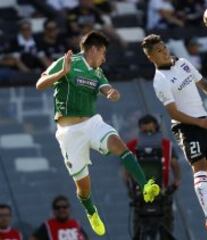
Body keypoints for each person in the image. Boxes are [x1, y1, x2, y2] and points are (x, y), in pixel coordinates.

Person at [35, 31, 160, 236]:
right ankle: (91, 211)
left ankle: (145, 184)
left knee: (120, 145)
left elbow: (108, 89)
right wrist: (60, 73)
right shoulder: (67, 62)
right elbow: (40, 85)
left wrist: (113, 93)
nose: (104, 58)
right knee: (83, 188)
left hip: (92, 122)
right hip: (69, 132)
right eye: (103, 53)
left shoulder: (98, 72)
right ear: (93, 49)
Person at [141, 34, 207, 240]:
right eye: (159, 50)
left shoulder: (183, 63)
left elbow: (202, 83)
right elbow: (173, 113)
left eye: (164, 47)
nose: (164, 51)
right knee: (200, 166)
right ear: (151, 57)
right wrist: (199, 123)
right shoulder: (159, 81)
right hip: (187, 127)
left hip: (204, 122)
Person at [123, 114, 181, 240]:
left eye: (151, 130)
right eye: (145, 131)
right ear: (140, 129)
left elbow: (175, 164)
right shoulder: (132, 145)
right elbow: (126, 170)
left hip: (163, 195)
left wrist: (176, 182)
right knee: (139, 230)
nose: (148, 134)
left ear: (156, 128)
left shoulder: (167, 145)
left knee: (166, 229)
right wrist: (131, 189)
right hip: (141, 197)